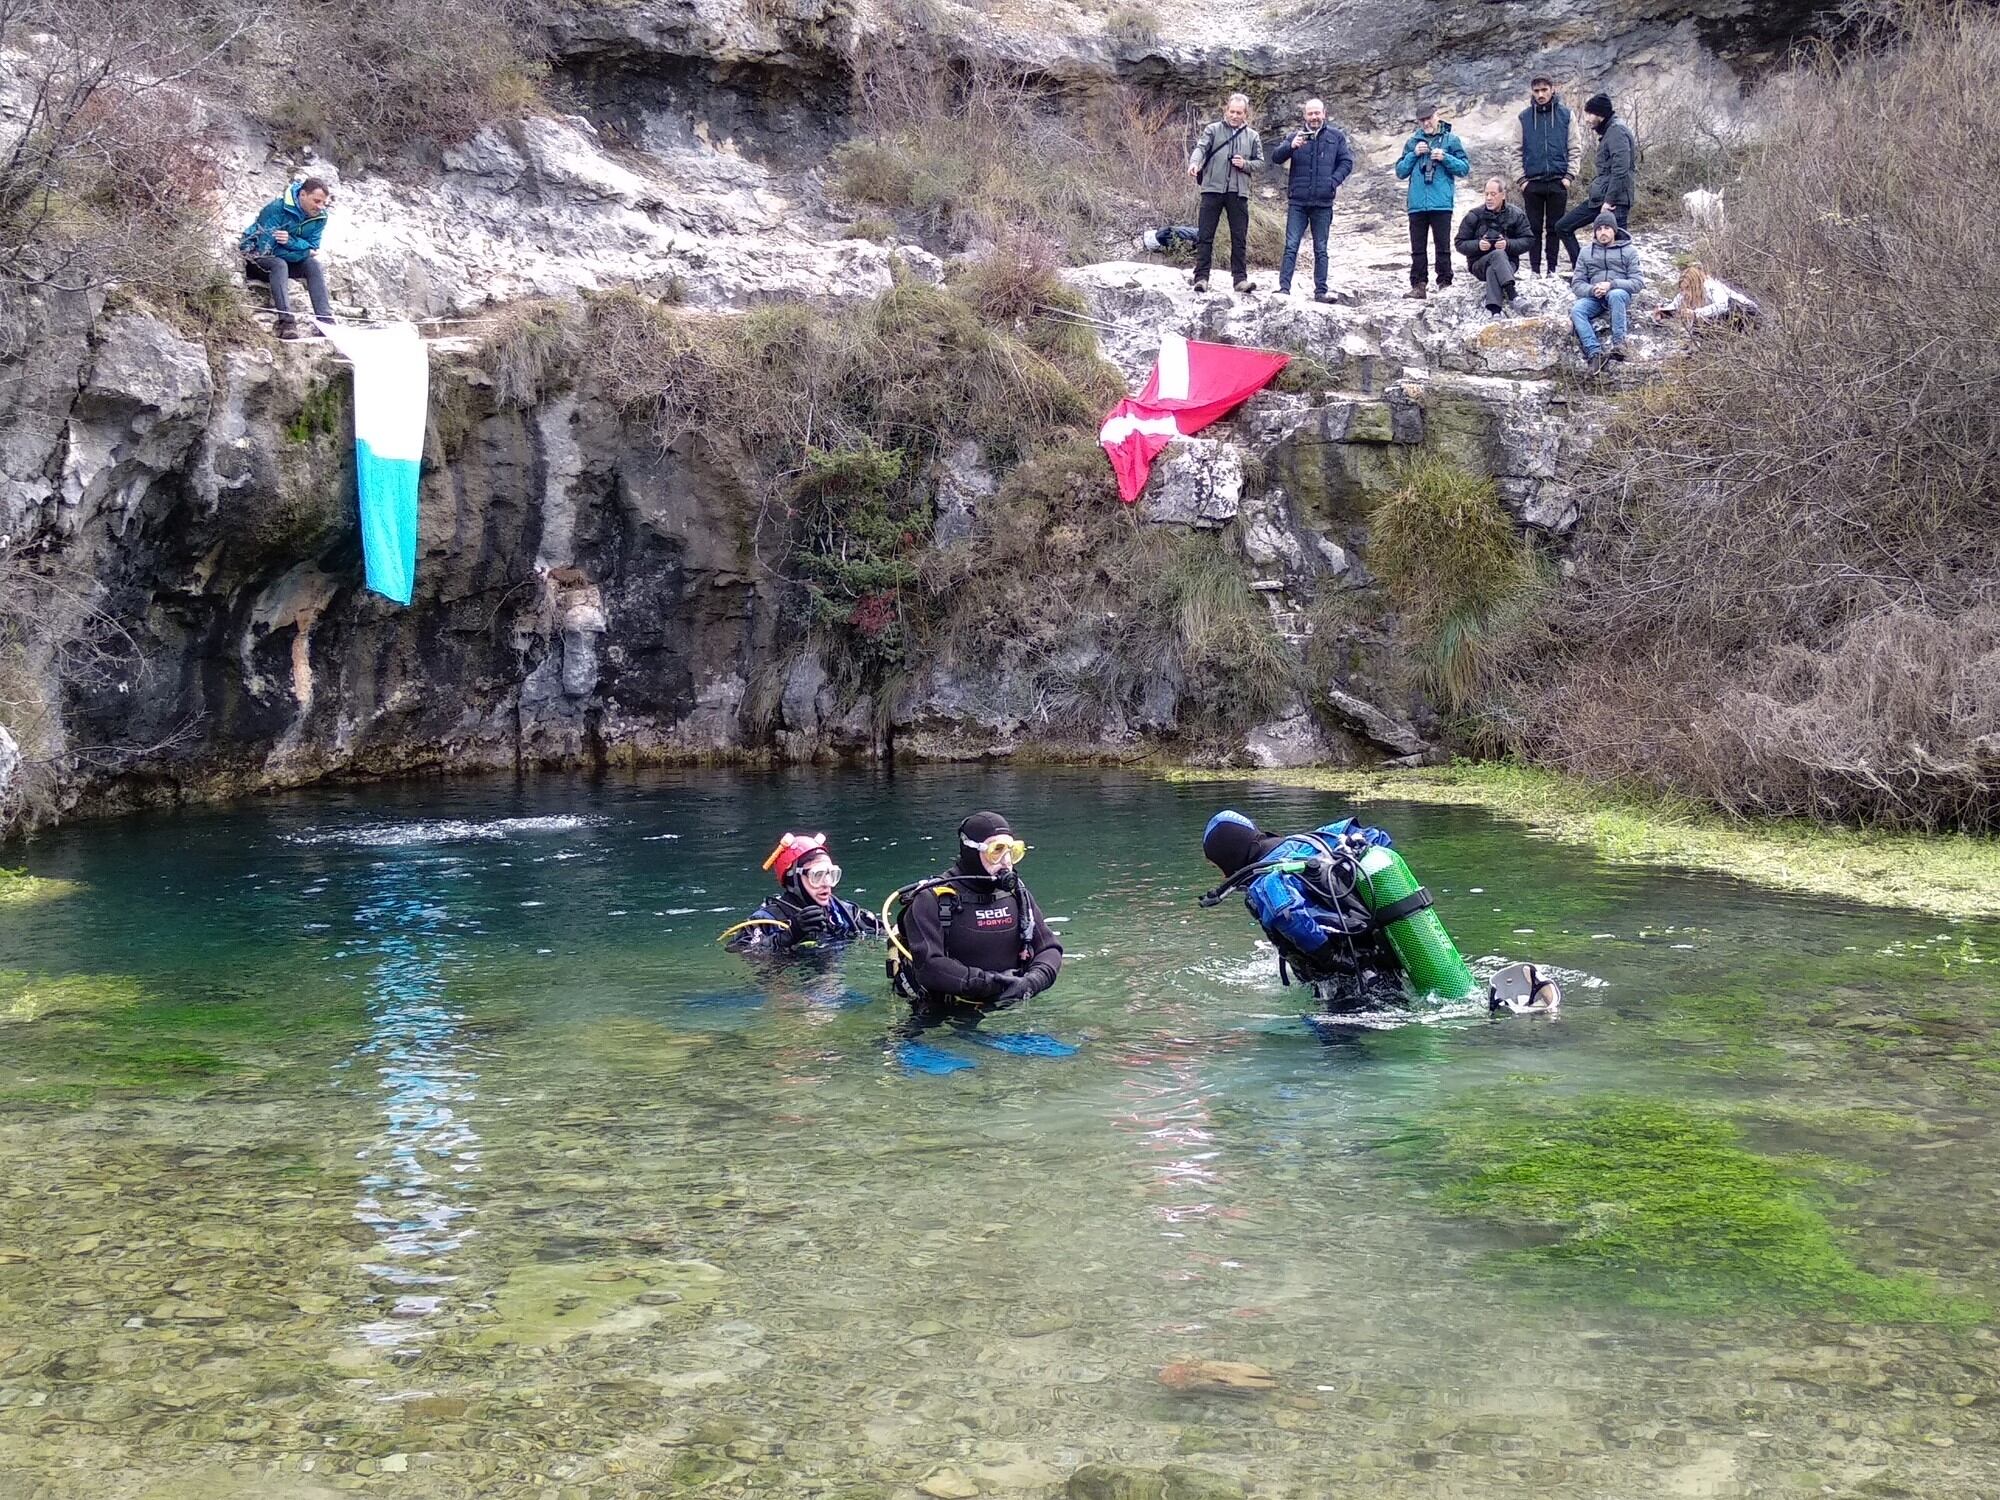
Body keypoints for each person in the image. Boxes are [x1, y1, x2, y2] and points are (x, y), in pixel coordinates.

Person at [1198, 809, 1406, 1009]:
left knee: (1330, 1041)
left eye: (1218, 865)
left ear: (1228, 856)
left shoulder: (1264, 884)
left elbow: (1287, 915)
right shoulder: (1317, 839)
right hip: (1393, 952)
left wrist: (1335, 959)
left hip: (1353, 983)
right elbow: (1379, 838)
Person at [886, 811, 1063, 1014]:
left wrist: (1032, 982)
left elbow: (1049, 948)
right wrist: (989, 984)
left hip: (1010, 1003)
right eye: (997, 850)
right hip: (941, 1012)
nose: (1006, 862)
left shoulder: (1016, 894)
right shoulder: (932, 899)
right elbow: (929, 966)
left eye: (1012, 851)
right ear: (971, 850)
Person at [723, 832, 882, 952]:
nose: (827, 883)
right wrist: (788, 935)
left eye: (831, 875)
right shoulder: (766, 920)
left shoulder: (845, 912)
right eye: (817, 875)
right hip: (789, 988)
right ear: (793, 879)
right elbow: (737, 950)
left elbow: (886, 932)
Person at [1269, 97, 1354, 303]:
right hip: (1298, 201)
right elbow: (1276, 158)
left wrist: (1332, 182)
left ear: (1324, 113)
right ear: (1304, 116)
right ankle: (1284, 289)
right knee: (1291, 245)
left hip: (1323, 202)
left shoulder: (1336, 136)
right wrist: (1291, 146)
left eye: (1317, 113)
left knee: (1321, 248)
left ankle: (1320, 291)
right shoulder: (1294, 136)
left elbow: (1347, 162)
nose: (1314, 117)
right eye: (1310, 113)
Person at [1186, 94, 1263, 295]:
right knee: (1205, 235)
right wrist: (1194, 163)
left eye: (1239, 112)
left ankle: (1240, 280)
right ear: (1226, 111)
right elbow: (1201, 148)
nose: (1235, 115)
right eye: (1232, 111)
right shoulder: (1213, 130)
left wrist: (1245, 164)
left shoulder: (1253, 136)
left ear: (1245, 114)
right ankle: (1201, 278)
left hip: (1238, 192)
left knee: (1239, 237)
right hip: (1212, 189)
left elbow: (1260, 163)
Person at [240, 177, 334, 341]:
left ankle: (326, 321)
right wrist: (304, 251)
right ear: (303, 195)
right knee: (279, 264)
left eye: (323, 203)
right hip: (257, 259)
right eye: (316, 201)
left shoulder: (320, 217)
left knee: (313, 264)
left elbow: (313, 248)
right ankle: (287, 323)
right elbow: (265, 250)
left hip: (286, 258)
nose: (320, 207)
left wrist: (291, 241)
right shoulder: (277, 209)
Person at [1394, 105, 1469, 301]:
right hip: (1417, 204)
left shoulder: (1451, 140)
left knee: (1442, 245)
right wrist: (1413, 154)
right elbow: (1400, 171)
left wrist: (1445, 157)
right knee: (1417, 247)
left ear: (1437, 116)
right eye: (1422, 120)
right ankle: (1419, 286)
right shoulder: (1412, 142)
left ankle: (1445, 283)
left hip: (1441, 203)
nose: (1426, 123)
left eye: (1429, 118)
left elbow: (1464, 168)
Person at [1551, 92, 1636, 258]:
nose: (1587, 119)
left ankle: (1620, 280)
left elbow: (1621, 169)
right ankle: (1581, 269)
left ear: (1601, 114)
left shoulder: (1617, 131)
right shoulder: (1610, 131)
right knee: (1563, 227)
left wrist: (1609, 201)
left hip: (1614, 201)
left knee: (1617, 247)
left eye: (1590, 114)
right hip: (1600, 198)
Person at [1516, 77, 1578, 275]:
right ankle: (1535, 270)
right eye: (1536, 90)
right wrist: (1521, 179)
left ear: (1553, 89)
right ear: (1532, 92)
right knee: (1533, 228)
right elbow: (1515, 150)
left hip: (1558, 181)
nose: (1540, 94)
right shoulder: (1524, 117)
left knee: (1555, 228)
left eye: (1544, 89)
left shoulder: (1566, 115)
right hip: (1532, 183)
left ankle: (1552, 269)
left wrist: (1569, 176)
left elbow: (1575, 148)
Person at [1570, 207, 1643, 373]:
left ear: (1614, 230)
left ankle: (1619, 344)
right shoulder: (1585, 252)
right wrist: (1591, 289)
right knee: (1577, 310)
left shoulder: (1629, 251)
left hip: (1618, 293)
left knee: (1616, 295)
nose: (1603, 232)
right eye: (1599, 229)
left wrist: (1612, 285)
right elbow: (1577, 283)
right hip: (1595, 297)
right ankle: (1594, 353)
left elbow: (1638, 282)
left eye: (1607, 228)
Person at [1454, 177, 1534, 316]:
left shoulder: (1516, 214)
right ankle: (1513, 295)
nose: (1489, 198)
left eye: (1493, 194)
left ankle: (1494, 311)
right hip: (1479, 264)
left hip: (1509, 264)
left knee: (1495, 265)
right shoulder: (1474, 215)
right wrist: (1478, 245)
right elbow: (1459, 243)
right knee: (1497, 254)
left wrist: (1508, 244)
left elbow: (1528, 240)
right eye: (1486, 194)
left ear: (1503, 195)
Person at [1651, 260, 1759, 332]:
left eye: (1687, 288)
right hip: (1729, 317)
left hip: (1746, 313)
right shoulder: (1684, 295)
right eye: (1682, 289)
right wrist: (1663, 312)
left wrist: (1695, 314)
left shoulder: (1710, 286)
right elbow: (1675, 304)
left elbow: (1722, 305)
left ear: (1695, 285)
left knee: (1723, 310)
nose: (1685, 293)